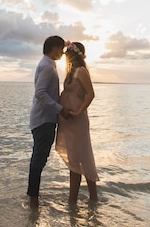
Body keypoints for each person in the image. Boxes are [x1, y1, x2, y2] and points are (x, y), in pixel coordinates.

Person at [27, 35, 71, 209]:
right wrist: (60, 109)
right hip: (44, 119)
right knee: (39, 159)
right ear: (53, 48)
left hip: (44, 118)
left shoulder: (48, 64)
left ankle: (33, 196)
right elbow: (40, 93)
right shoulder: (47, 66)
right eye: (60, 48)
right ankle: (33, 200)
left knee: (39, 159)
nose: (62, 52)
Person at [55, 41, 99, 204]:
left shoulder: (81, 71)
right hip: (68, 121)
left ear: (74, 54)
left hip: (77, 120)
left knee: (84, 156)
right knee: (73, 158)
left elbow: (90, 94)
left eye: (67, 53)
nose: (65, 55)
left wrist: (79, 111)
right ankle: (73, 200)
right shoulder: (70, 72)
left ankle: (92, 198)